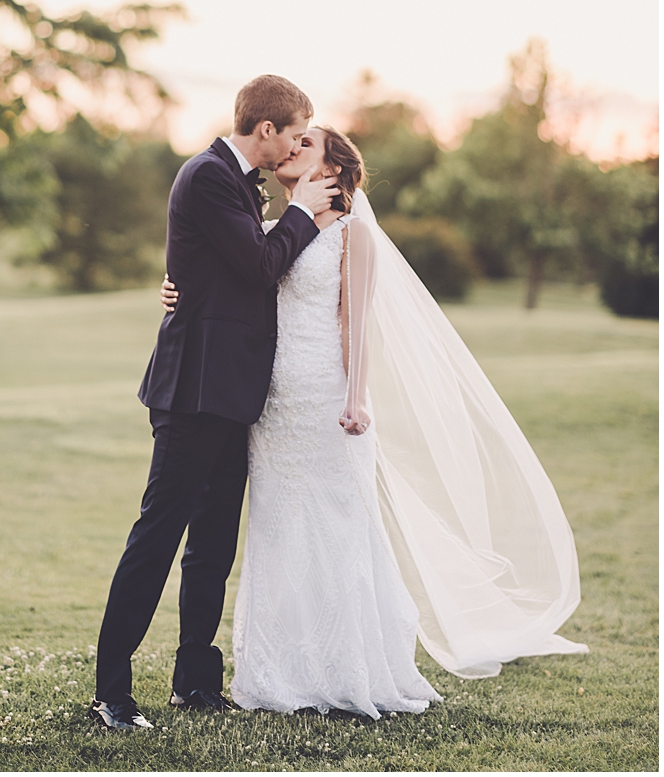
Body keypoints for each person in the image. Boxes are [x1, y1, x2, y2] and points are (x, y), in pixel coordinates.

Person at [160, 126, 586, 716]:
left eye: (305, 145)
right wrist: (176, 289)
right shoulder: (269, 231)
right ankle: (278, 674)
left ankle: (346, 669)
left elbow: (353, 323)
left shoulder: (354, 233)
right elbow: (239, 279)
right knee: (279, 530)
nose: (290, 150)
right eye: (291, 141)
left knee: (338, 526)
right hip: (270, 404)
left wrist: (357, 396)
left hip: (327, 396)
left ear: (333, 169)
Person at [90, 75, 338, 731]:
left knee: (212, 544)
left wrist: (189, 281)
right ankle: (110, 691)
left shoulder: (236, 183)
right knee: (158, 536)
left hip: (232, 394)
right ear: (265, 130)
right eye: (290, 132)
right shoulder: (206, 176)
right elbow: (260, 265)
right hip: (194, 391)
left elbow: (238, 272)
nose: (292, 146)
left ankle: (195, 681)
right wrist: (304, 213)